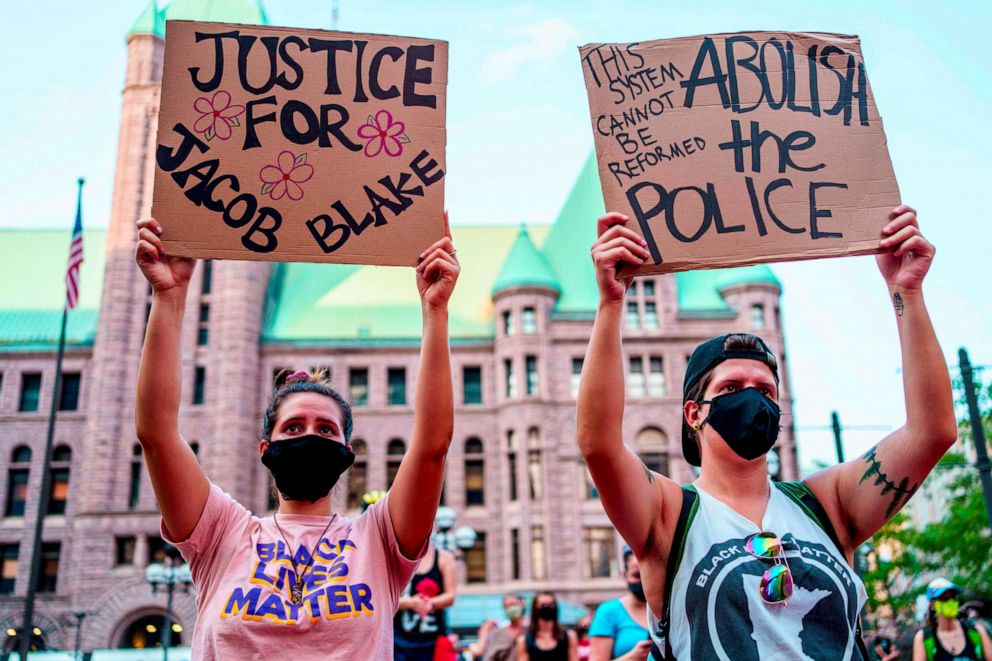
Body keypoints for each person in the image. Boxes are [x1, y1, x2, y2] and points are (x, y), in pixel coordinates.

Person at [577, 206, 957, 659]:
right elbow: (598, 444)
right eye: (732, 388)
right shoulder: (668, 515)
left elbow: (932, 431)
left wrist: (906, 291)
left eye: (766, 391)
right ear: (695, 413)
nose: (753, 400)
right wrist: (612, 304)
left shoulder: (827, 504)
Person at [134, 215, 460, 659]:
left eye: (326, 429)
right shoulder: (220, 532)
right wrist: (169, 296)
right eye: (294, 426)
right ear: (265, 449)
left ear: (347, 453)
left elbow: (431, 445)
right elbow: (156, 433)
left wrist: (435, 312)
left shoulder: (380, 540)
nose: (309, 435)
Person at [394, 540, 457, 661]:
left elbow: (451, 596)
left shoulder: (444, 558)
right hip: (399, 642)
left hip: (434, 641)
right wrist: (410, 603)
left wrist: (429, 603)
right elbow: (382, 598)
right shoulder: (393, 556)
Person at [589, 549, 651, 660]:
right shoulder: (608, 612)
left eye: (648, 574)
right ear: (625, 575)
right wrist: (632, 657)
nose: (643, 580)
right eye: (637, 575)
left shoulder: (667, 609)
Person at [913, 579, 992, 661]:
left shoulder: (976, 630)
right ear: (932, 604)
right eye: (944, 598)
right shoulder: (924, 638)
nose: (950, 601)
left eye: (953, 597)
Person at [516, 593, 578, 661]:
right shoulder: (524, 640)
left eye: (550, 605)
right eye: (542, 605)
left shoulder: (570, 636)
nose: (546, 607)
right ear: (535, 608)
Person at [470, 593, 527, 661]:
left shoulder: (531, 630)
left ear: (523, 604)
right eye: (507, 606)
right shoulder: (498, 633)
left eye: (513, 604)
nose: (511, 608)